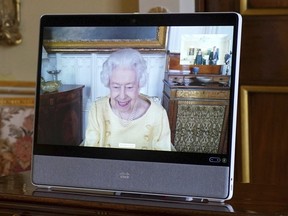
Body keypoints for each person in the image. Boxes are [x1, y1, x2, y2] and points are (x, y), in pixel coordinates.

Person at [84, 48, 172, 151]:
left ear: (139, 84)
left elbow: (162, 161)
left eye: (129, 87)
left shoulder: (158, 114)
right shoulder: (97, 110)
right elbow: (90, 155)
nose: (122, 96)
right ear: (108, 84)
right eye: (116, 87)